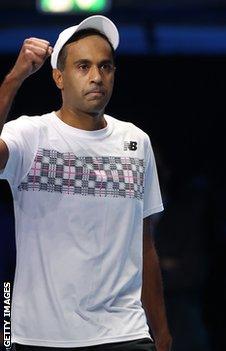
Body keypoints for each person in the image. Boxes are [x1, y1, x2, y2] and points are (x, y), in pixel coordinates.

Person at [0, 15, 171, 351]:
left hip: (125, 334)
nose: (96, 77)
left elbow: (144, 243)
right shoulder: (29, 135)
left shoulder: (136, 142)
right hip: (40, 336)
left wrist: (162, 333)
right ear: (58, 76)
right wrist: (15, 78)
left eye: (105, 67)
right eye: (83, 66)